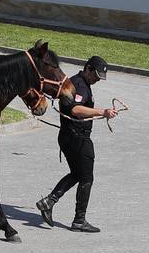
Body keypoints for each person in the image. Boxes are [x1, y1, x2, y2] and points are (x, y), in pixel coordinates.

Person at [36, 55, 116, 233]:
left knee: (77, 174)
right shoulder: (79, 85)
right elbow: (75, 109)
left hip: (69, 136)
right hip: (77, 138)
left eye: (99, 78)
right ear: (87, 68)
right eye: (95, 75)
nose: (97, 80)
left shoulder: (79, 83)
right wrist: (102, 112)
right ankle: (79, 220)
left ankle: (48, 202)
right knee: (86, 178)